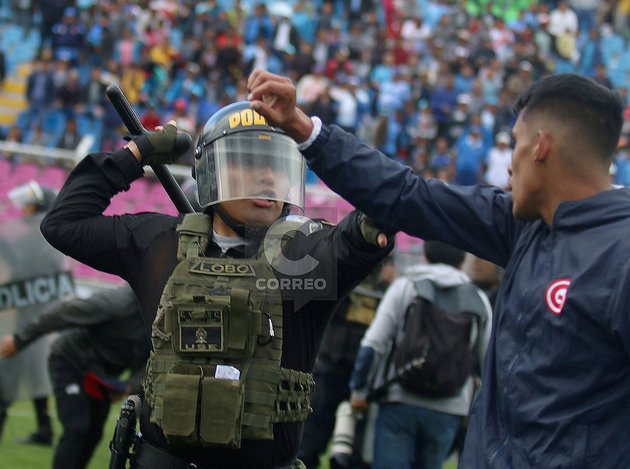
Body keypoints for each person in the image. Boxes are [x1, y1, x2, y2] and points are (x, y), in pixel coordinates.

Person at [246, 69, 630, 467]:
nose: (509, 166)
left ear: (540, 147)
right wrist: (305, 129)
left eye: (515, 144)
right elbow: (408, 196)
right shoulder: (524, 226)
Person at [40, 101, 392, 468]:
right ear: (212, 171)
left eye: (277, 163)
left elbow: (362, 232)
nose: (268, 176)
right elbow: (63, 223)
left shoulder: (309, 256)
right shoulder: (159, 243)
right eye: (250, 160)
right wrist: (137, 152)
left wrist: (370, 216)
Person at [348, 241, 491, 469]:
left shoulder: (406, 286)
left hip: (398, 398)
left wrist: (359, 391)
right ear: (464, 259)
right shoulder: (479, 300)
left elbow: (373, 343)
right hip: (449, 408)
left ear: (424, 253)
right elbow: (488, 365)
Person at [0, 284, 149, 469]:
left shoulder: (162, 318)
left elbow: (149, 361)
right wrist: (20, 339)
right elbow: (64, 312)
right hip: (70, 361)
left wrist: (128, 386)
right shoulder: (118, 302)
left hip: (102, 377)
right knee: (77, 427)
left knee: (94, 434)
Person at [298, 261, 394, 469]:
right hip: (330, 368)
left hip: (365, 377)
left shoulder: (389, 289)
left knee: (355, 455)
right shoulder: (343, 276)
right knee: (309, 444)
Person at [0, 180, 68, 446]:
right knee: (33, 372)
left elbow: (23, 274)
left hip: (32, 320)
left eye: (29, 206)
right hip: (33, 319)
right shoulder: (41, 239)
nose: (24, 210)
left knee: (9, 375)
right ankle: (45, 430)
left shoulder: (41, 241)